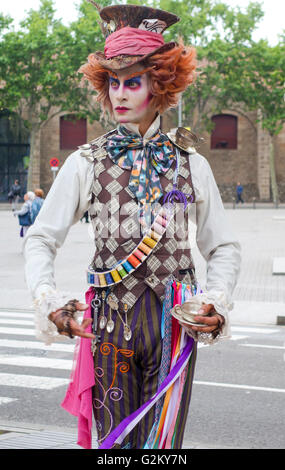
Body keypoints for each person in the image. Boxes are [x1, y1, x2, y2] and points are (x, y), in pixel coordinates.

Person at [23, 4, 241, 450]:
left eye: (133, 82)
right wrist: (48, 302)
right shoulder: (86, 162)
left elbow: (224, 247)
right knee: (117, 446)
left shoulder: (191, 163)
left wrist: (215, 301)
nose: (121, 94)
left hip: (174, 328)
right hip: (109, 323)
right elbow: (42, 238)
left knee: (162, 448)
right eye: (114, 83)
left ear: (159, 86)